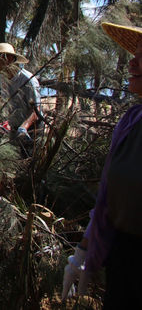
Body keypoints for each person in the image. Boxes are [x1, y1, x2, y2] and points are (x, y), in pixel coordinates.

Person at [62, 22, 142, 307]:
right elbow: (108, 196)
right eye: (134, 53)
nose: (133, 61)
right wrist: (82, 252)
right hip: (123, 255)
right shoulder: (131, 121)